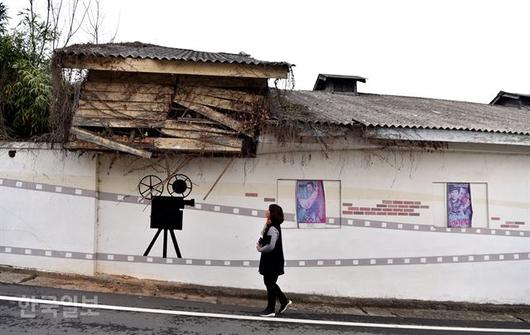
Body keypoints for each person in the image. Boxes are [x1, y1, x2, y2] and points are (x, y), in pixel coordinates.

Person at [256, 204, 292, 317]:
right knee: (269, 283)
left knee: (270, 283)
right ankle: (283, 300)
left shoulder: (273, 228)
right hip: (271, 261)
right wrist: (266, 225)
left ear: (272, 213)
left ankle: (271, 309)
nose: (266, 211)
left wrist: (260, 249)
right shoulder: (270, 226)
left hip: (273, 261)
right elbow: (263, 236)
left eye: (269, 210)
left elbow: (271, 246)